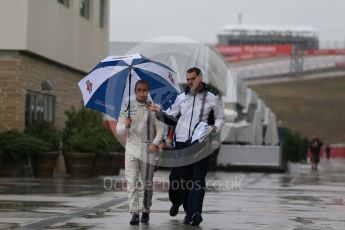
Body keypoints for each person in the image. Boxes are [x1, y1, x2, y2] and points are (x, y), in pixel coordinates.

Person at [147, 67, 224, 226]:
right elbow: (170, 118)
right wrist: (158, 111)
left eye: (193, 79)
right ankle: (176, 201)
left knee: (197, 180)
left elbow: (220, 118)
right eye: (188, 79)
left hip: (201, 143)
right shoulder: (181, 97)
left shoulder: (212, 97)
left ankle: (193, 213)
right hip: (180, 144)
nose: (190, 82)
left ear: (200, 78)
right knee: (177, 179)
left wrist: (215, 128)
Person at [116, 80, 165, 225]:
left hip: (148, 149)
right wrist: (125, 125)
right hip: (131, 147)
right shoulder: (127, 107)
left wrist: (155, 144)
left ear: (148, 91)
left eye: (145, 90)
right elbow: (119, 130)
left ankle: (146, 209)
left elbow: (162, 128)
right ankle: (134, 212)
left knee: (147, 184)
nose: (142, 93)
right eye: (139, 90)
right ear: (135, 91)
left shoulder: (153, 107)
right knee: (131, 182)